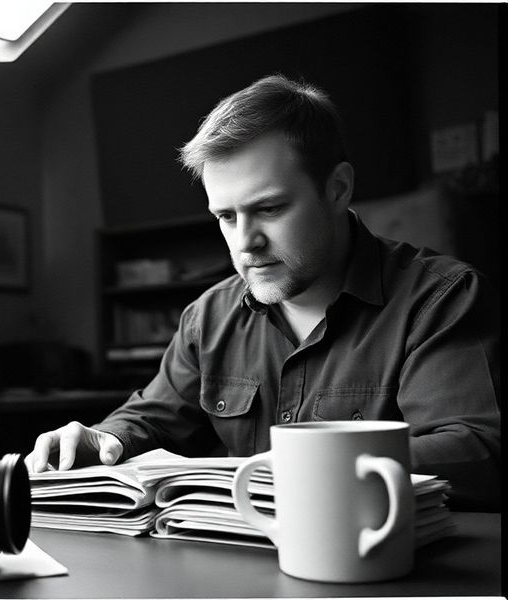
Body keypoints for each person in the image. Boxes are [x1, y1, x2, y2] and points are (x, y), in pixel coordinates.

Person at [26, 74, 501, 511]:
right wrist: (103, 437)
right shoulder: (207, 317)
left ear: (337, 189)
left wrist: (309, 462)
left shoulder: (440, 298)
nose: (245, 243)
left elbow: (476, 453)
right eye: (226, 217)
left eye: (269, 209)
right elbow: (152, 418)